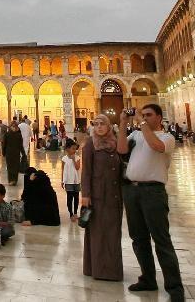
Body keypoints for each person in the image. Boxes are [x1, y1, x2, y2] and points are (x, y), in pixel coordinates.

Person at [124, 104, 183, 301]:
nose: (145, 118)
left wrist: (142, 124)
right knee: (139, 239)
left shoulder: (167, 138)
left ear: (159, 117)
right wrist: (124, 122)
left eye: (149, 115)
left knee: (161, 240)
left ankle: (175, 288)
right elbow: (121, 149)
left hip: (153, 192)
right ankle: (148, 278)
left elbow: (156, 146)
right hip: (133, 191)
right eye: (143, 115)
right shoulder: (135, 136)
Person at [80, 115, 126, 280]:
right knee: (98, 233)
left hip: (114, 196)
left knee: (113, 233)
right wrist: (85, 195)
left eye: (102, 124)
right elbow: (86, 171)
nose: (99, 127)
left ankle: (112, 270)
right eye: (96, 124)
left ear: (108, 126)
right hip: (98, 195)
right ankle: (98, 269)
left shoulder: (115, 143)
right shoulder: (90, 144)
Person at [61, 138, 82, 221]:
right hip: (68, 182)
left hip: (76, 181)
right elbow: (62, 170)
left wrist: (73, 159)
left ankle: (76, 213)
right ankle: (71, 214)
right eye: (73, 148)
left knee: (76, 197)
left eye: (75, 149)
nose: (74, 150)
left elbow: (77, 167)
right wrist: (62, 180)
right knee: (69, 198)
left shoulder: (77, 158)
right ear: (67, 149)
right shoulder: (64, 159)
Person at [0, 118, 25, 186]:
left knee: (13, 167)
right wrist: (3, 153)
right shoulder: (15, 135)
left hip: (11, 153)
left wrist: (3, 153)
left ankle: (12, 180)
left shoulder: (9, 134)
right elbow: (5, 144)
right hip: (13, 153)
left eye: (15, 126)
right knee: (12, 167)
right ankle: (13, 180)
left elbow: (4, 144)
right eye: (13, 126)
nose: (14, 128)